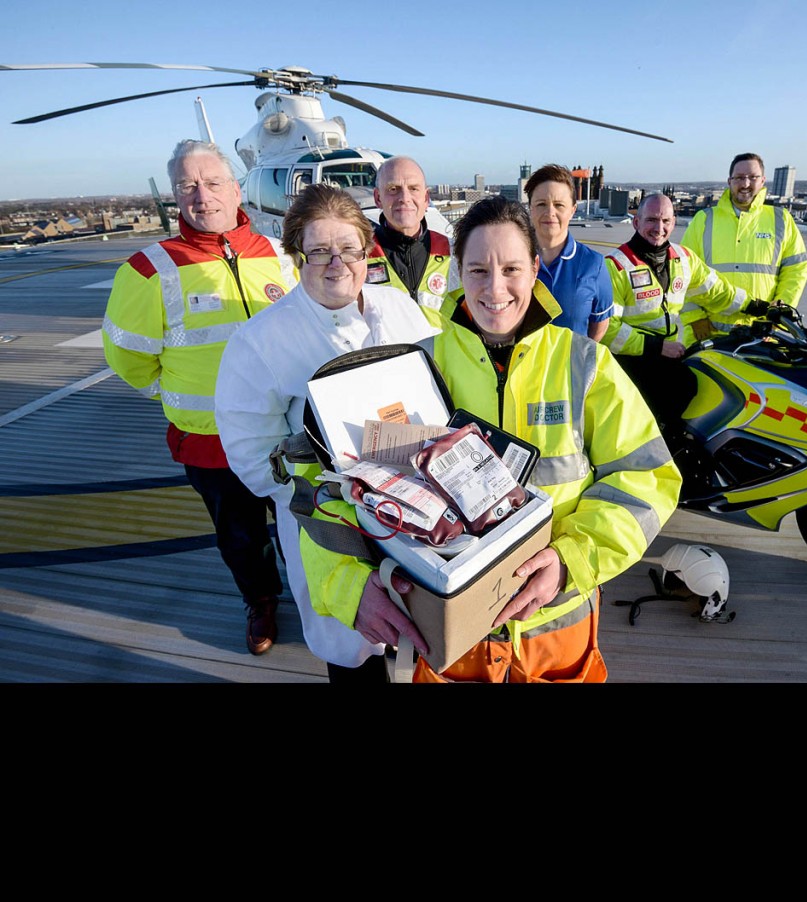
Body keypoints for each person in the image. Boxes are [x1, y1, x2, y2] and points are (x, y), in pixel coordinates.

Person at [299, 195, 682, 683]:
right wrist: (348, 586)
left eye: (512, 269)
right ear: (458, 271)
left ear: (536, 268)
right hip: (448, 632)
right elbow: (327, 487)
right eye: (478, 270)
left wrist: (572, 559)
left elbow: (648, 478)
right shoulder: (413, 370)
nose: (495, 288)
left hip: (555, 629)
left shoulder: (585, 366)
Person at [214, 183, 441, 683]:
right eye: (319, 250)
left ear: (367, 250)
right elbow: (254, 460)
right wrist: (332, 480)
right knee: (357, 656)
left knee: (427, 641)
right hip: (332, 527)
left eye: (348, 249)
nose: (336, 264)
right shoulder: (259, 343)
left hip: (422, 508)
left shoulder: (399, 308)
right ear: (297, 257)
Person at [102, 138, 297, 657]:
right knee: (239, 535)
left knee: (302, 525)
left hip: (290, 431)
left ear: (237, 189)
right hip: (210, 440)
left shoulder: (280, 255)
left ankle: (312, 591)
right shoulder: (149, 269)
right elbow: (126, 355)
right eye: (187, 185)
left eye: (212, 182)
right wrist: (171, 395)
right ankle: (260, 600)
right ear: (174, 195)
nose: (202, 195)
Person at [602, 193, 767, 447]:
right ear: (636, 222)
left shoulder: (683, 259)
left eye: (666, 220)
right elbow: (608, 330)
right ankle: (657, 451)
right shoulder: (616, 267)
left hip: (669, 352)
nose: (659, 228)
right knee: (684, 387)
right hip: (632, 357)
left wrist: (757, 307)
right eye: (651, 220)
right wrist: (657, 347)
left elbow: (719, 292)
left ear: (674, 222)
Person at [680, 153, 807, 343]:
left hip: (762, 334)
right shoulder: (705, 219)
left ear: (763, 180)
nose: (746, 184)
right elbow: (682, 272)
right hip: (708, 332)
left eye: (753, 177)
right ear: (729, 181)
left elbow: (796, 270)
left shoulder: (781, 220)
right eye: (739, 178)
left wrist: (780, 309)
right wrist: (694, 317)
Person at [524, 163, 612, 340]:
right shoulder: (514, 260)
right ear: (530, 209)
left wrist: (581, 357)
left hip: (570, 367)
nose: (550, 212)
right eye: (541, 204)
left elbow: (600, 322)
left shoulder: (593, 264)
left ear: (572, 210)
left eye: (559, 205)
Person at [366, 155, 459, 311]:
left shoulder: (453, 252)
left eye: (413, 188)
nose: (404, 198)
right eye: (393, 189)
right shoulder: (360, 255)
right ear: (378, 198)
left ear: (426, 198)